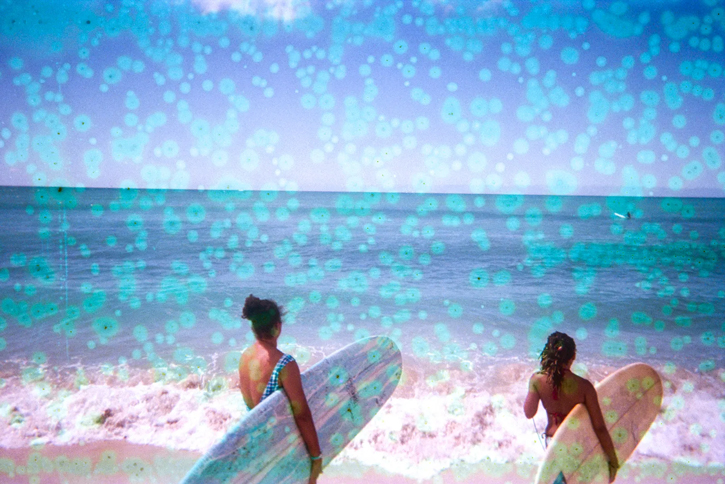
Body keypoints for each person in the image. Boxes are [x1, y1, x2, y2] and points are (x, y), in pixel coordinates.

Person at [238, 294, 323, 484]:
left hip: (256, 451)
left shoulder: (245, 357)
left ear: (253, 328)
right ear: (278, 326)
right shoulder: (285, 364)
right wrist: (315, 457)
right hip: (279, 452)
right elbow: (302, 414)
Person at [524, 332, 619, 483]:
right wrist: (612, 460)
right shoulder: (585, 387)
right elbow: (599, 427)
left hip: (552, 441)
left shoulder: (537, 380)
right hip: (575, 443)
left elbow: (529, 413)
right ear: (573, 356)